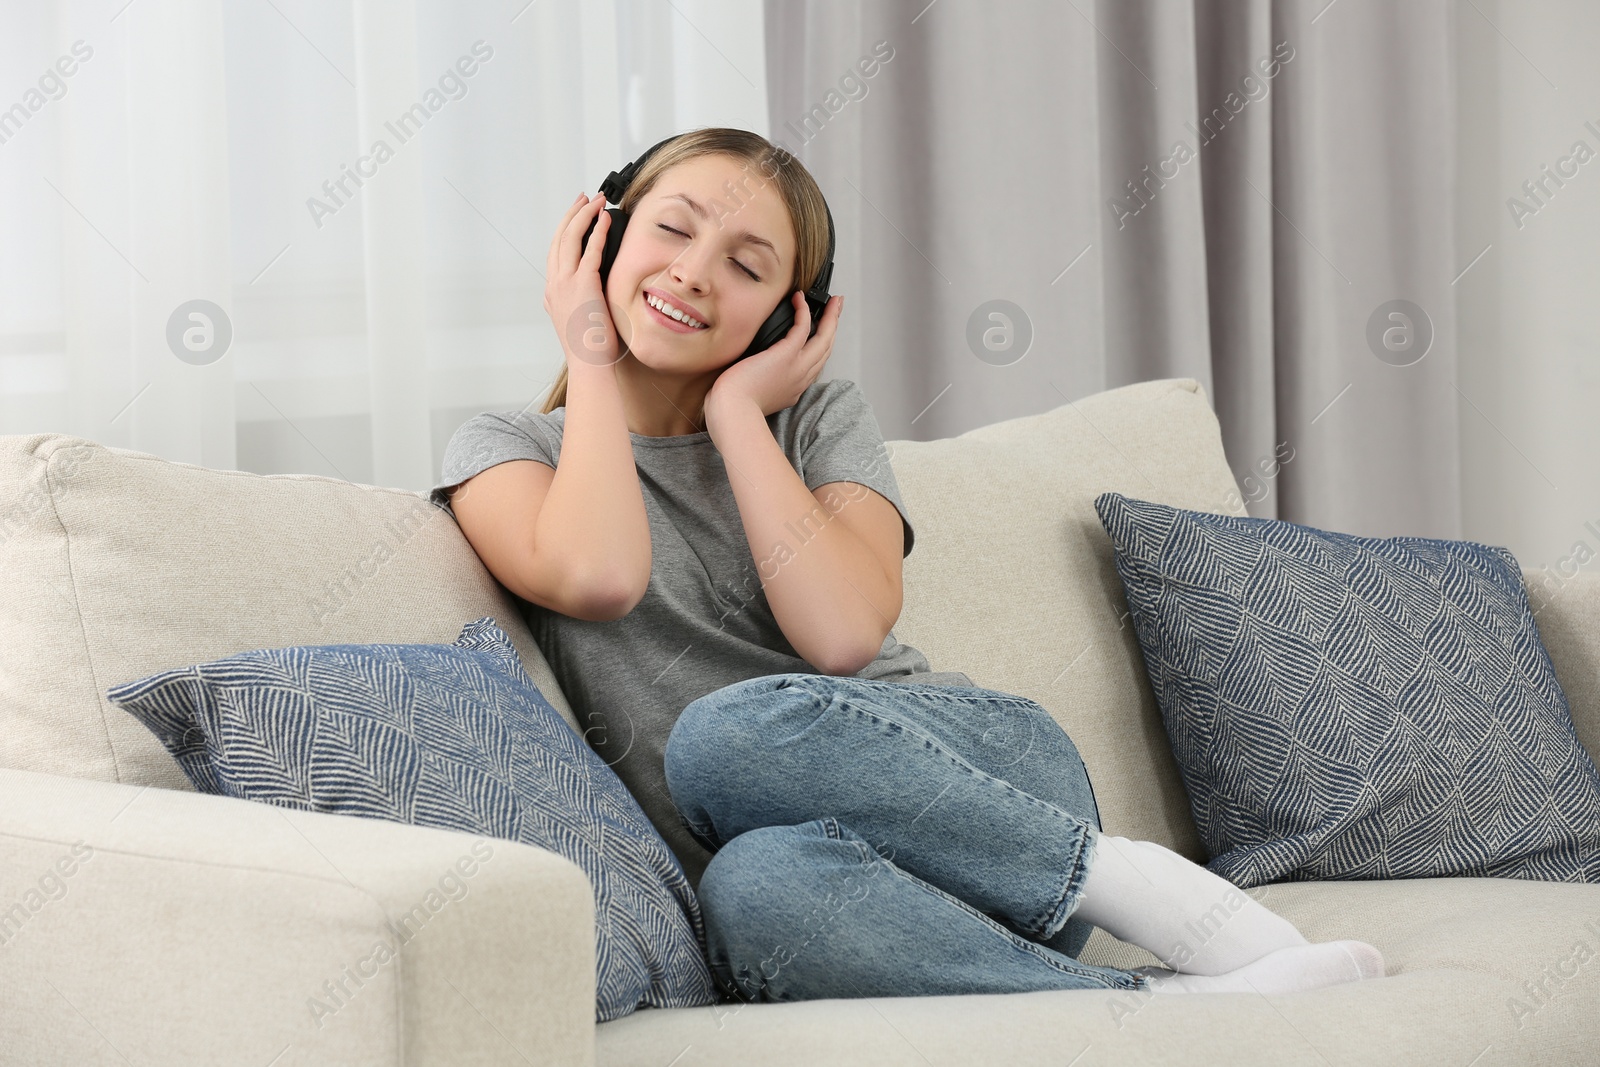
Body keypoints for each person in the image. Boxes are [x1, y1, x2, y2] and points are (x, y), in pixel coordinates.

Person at [431, 127, 1386, 1003]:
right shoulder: (508, 449)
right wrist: (589, 355)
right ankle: (1157, 1004)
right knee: (747, 893)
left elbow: (843, 634)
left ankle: (1139, 883)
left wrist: (735, 420)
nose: (692, 274)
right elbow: (599, 574)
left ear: (783, 319)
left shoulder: (813, 422)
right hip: (840, 888)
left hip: (998, 789)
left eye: (746, 266)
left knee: (719, 738)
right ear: (602, 236)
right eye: (671, 230)